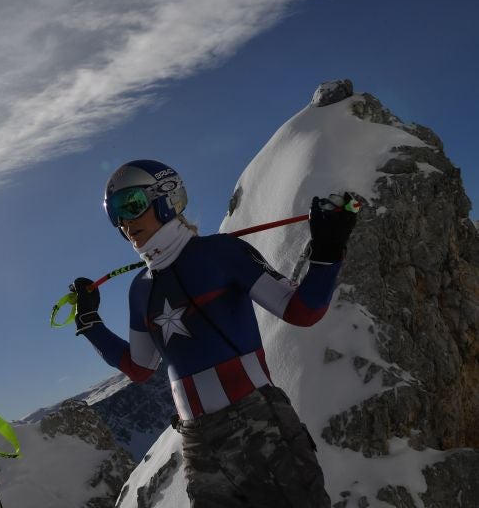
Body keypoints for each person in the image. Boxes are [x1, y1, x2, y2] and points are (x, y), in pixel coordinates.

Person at [71, 159, 357, 508]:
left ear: (166, 198)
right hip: (197, 443)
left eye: (131, 205)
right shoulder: (140, 290)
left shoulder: (220, 253)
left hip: (258, 424)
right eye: (115, 215)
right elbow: (141, 368)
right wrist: (89, 322)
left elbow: (301, 310)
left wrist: (327, 252)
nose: (125, 223)